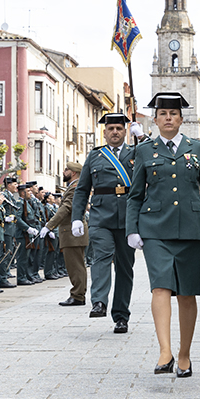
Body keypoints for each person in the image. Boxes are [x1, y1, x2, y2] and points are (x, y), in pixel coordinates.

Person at [126, 93, 200, 377]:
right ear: (155, 119)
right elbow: (135, 195)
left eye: (173, 114)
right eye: (163, 114)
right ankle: (165, 352)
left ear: (181, 118)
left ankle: (184, 354)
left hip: (189, 229)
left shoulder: (197, 148)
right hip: (155, 229)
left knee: (186, 294)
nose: (168, 118)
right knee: (160, 287)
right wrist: (132, 229)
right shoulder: (144, 151)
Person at [70, 112, 145, 331]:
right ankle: (99, 302)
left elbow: (157, 155)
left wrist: (142, 136)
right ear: (105, 132)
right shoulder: (95, 156)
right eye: (111, 129)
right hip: (101, 217)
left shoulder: (136, 153)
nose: (114, 132)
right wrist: (76, 217)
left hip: (128, 218)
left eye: (119, 129)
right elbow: (82, 189)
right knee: (100, 257)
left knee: (124, 267)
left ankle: (121, 315)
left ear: (125, 132)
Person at [46, 161, 91, 311]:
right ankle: (79, 293)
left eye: (66, 170)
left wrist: (48, 226)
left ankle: (77, 295)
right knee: (77, 265)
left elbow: (65, 209)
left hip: (72, 233)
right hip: (72, 232)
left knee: (75, 266)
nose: (63, 172)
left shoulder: (74, 187)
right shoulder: (73, 187)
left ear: (73, 172)